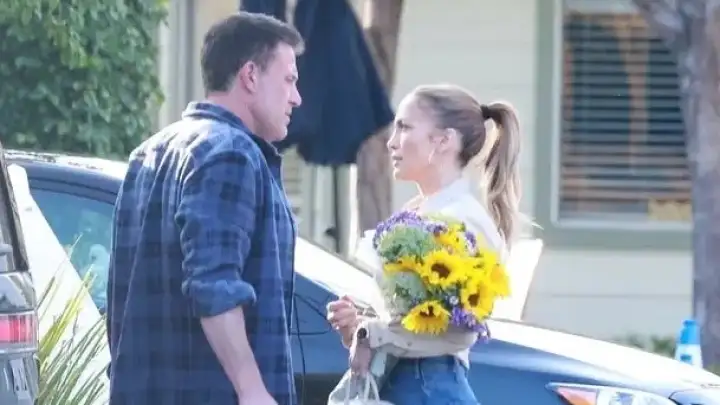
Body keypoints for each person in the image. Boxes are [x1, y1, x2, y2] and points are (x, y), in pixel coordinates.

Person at [107, 12, 303, 405]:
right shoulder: (232, 152)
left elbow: (119, 295)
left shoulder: (148, 153)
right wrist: (251, 389)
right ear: (250, 76)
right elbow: (213, 284)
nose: (297, 97)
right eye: (289, 80)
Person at [327, 84, 522, 404]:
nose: (392, 142)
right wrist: (359, 324)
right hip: (408, 383)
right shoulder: (420, 212)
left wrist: (371, 333)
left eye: (404, 127)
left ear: (443, 140)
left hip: (431, 387)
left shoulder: (464, 220)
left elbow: (460, 331)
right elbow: (410, 323)